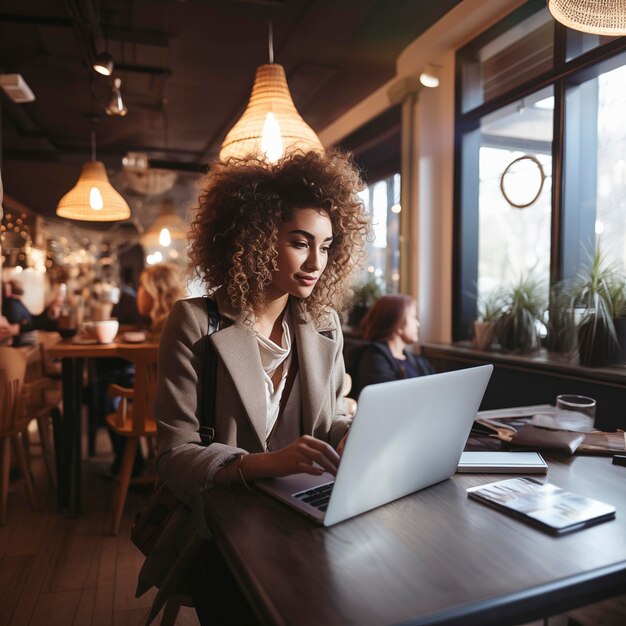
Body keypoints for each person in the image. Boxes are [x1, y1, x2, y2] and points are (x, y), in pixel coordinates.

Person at [136, 150, 369, 625]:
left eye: (326, 246)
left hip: (302, 512)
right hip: (222, 525)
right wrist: (263, 464)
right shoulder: (196, 322)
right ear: (257, 238)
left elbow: (332, 418)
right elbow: (174, 455)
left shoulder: (324, 325)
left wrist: (349, 433)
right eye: (300, 242)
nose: (316, 262)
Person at [352, 294, 434, 400]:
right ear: (399, 325)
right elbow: (389, 401)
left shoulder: (417, 360)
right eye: (413, 317)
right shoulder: (374, 358)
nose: (418, 324)